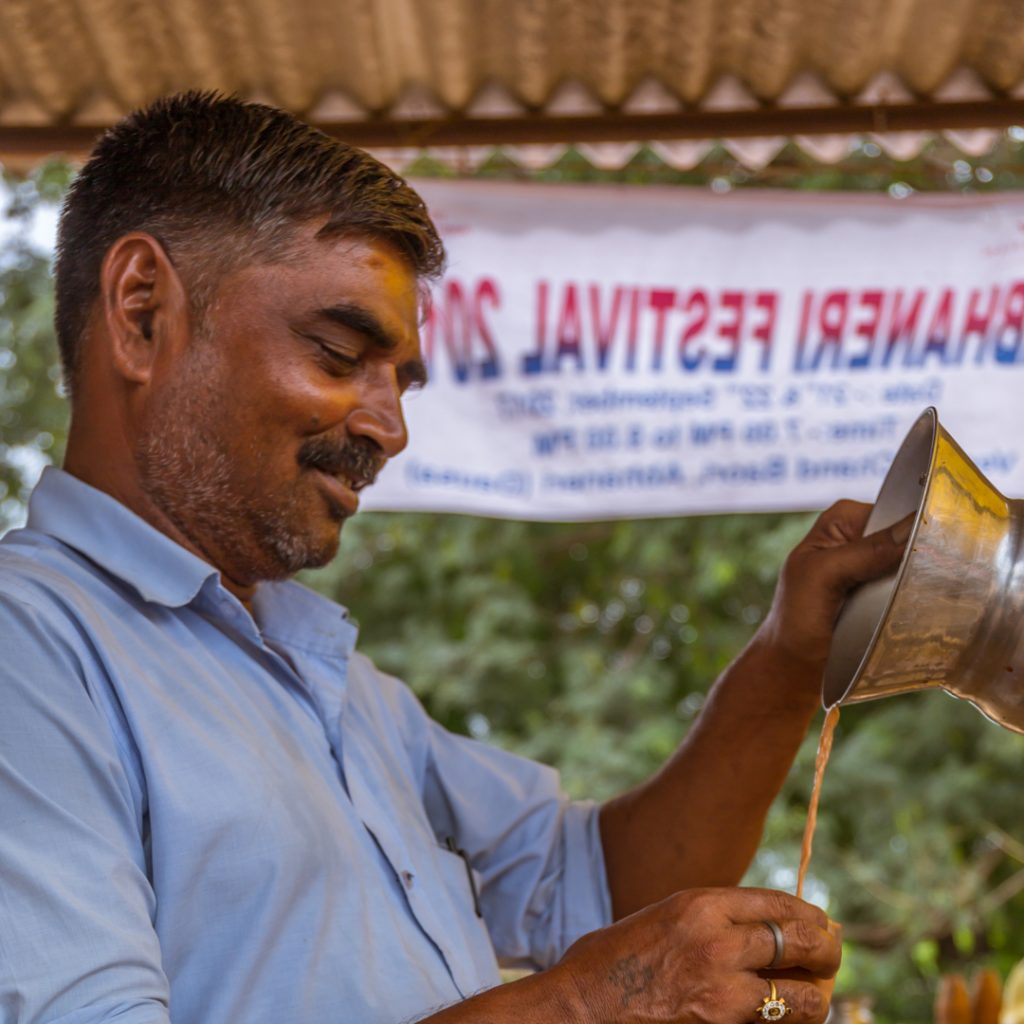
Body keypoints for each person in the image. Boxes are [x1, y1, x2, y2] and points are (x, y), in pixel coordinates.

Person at [0, 92, 908, 1024]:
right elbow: (604, 966)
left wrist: (790, 657)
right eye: (337, 352)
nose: (388, 429)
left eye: (401, 381)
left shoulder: (341, 689)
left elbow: (600, 891)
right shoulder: (31, 649)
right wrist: (595, 1004)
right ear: (143, 310)